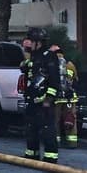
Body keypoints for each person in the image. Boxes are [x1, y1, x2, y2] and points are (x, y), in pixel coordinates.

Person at [22, 27, 61, 164]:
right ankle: (32, 155)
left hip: (44, 102)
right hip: (33, 100)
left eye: (31, 41)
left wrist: (48, 99)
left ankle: (50, 158)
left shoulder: (49, 56)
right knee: (31, 129)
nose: (29, 44)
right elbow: (28, 73)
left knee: (47, 130)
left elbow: (54, 80)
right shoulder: (35, 56)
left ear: (38, 42)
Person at [53, 48, 80, 149]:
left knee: (55, 120)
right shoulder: (70, 64)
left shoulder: (52, 64)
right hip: (70, 98)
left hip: (57, 98)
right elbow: (76, 80)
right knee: (71, 119)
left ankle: (56, 142)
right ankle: (72, 143)